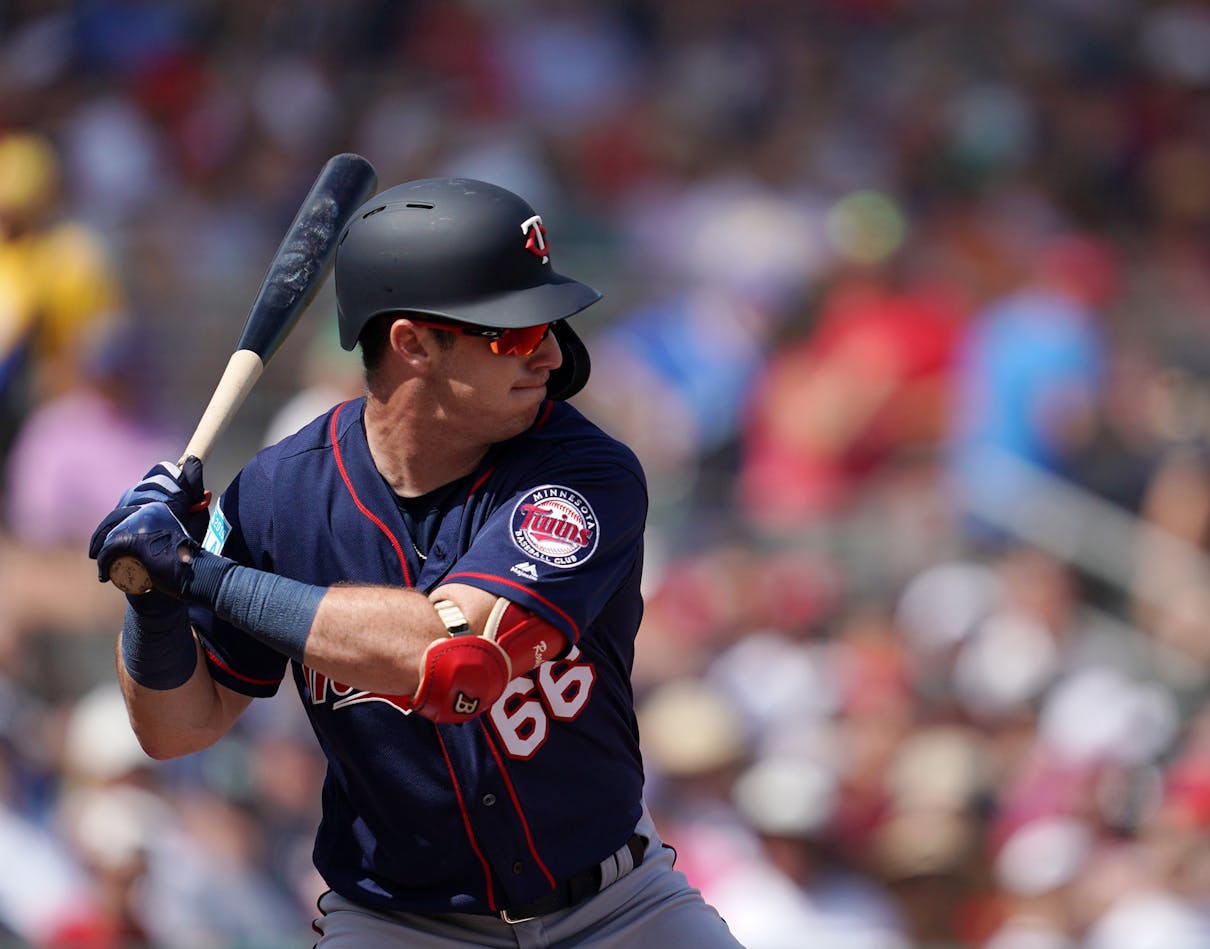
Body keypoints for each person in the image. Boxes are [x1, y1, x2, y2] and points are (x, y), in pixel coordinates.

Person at [88, 176, 744, 947]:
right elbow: (174, 726)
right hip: (400, 925)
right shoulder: (280, 494)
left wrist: (202, 574)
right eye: (513, 332)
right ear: (412, 344)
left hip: (617, 909)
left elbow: (455, 658)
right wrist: (151, 595)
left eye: (548, 324)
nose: (551, 353)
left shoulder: (583, 469)